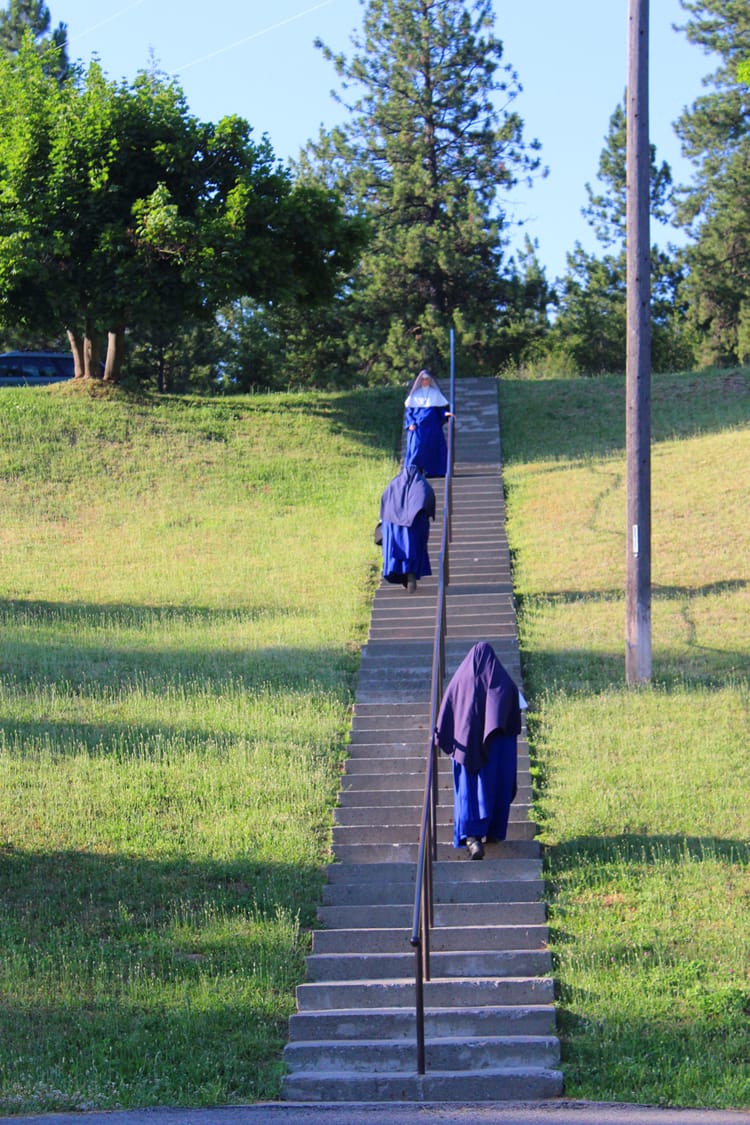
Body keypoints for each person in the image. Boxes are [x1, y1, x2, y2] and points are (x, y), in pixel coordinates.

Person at [435, 641, 527, 860]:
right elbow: (512, 716)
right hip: (494, 753)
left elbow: (446, 712)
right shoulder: (502, 682)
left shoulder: (458, 681)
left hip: (465, 751)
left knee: (467, 792)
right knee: (495, 788)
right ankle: (493, 832)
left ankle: (471, 838)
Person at [379, 462, 436, 593]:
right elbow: (428, 504)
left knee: (398, 551)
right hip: (414, 526)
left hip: (394, 526)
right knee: (414, 549)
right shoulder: (422, 485)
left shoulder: (393, 485)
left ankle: (402, 575)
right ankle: (411, 574)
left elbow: (384, 504)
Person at [403, 370, 452, 478]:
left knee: (433, 448)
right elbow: (409, 412)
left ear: (430, 380)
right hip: (418, 428)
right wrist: (410, 423)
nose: (425, 381)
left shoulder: (435, 394)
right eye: (423, 379)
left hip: (433, 427)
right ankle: (413, 472)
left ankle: (435, 471)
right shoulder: (414, 395)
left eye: (427, 379)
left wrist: (446, 413)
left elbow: (440, 410)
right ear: (419, 381)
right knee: (416, 447)